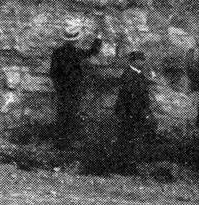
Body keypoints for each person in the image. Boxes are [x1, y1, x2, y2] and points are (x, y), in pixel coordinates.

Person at [49, 21, 102, 149]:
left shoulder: (57, 52)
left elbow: (53, 73)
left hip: (62, 90)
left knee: (61, 114)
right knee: (71, 114)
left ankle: (60, 143)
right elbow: (92, 52)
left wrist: (58, 86)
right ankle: (67, 143)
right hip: (74, 89)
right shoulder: (77, 53)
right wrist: (98, 38)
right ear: (76, 39)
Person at [112, 50, 156, 174]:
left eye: (143, 60)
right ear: (133, 61)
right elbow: (132, 97)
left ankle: (128, 166)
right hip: (130, 112)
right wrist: (143, 112)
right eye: (140, 60)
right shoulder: (129, 75)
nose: (142, 62)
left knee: (131, 140)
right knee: (127, 139)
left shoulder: (137, 73)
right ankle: (124, 167)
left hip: (134, 112)